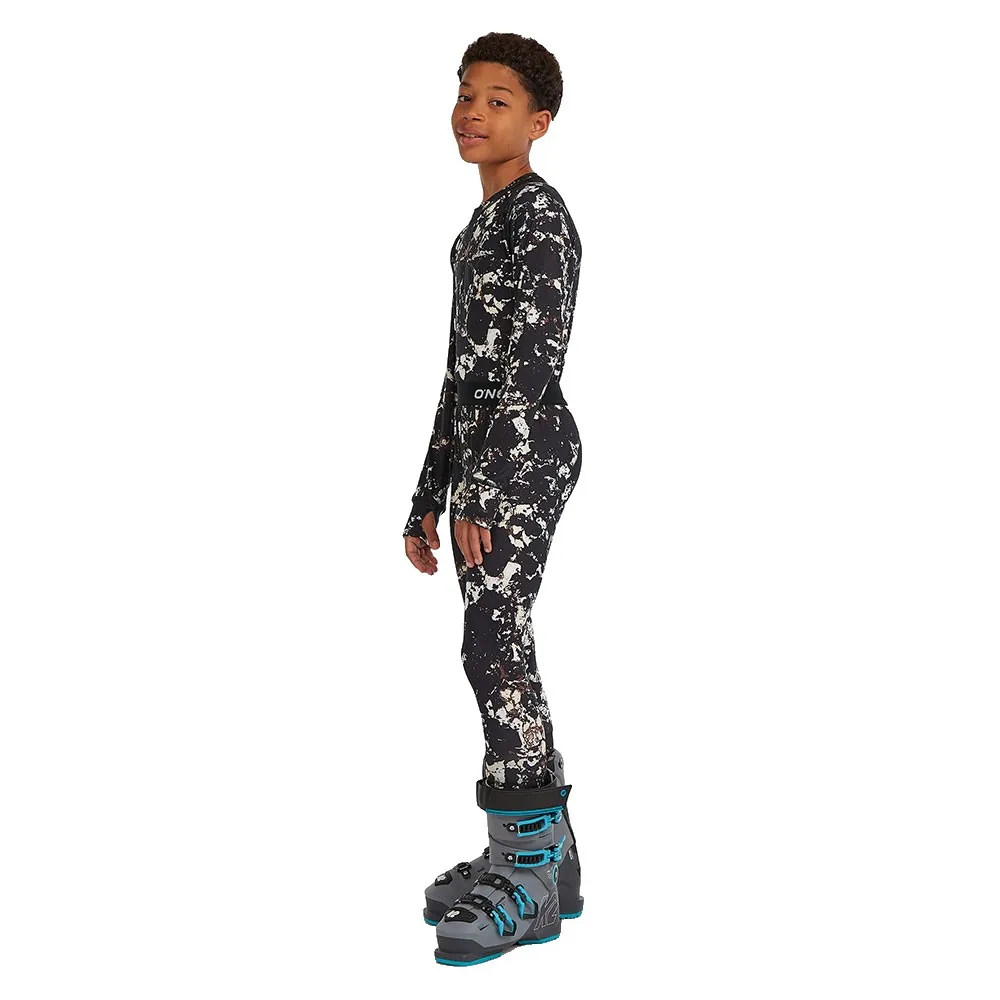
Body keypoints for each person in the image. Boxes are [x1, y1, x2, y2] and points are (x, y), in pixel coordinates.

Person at [401, 32, 585, 966]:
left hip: (526, 452)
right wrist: (427, 494)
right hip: (483, 458)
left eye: (498, 101)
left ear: (538, 123)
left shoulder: (540, 218)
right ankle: (550, 855)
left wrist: (485, 482)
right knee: (496, 639)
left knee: (493, 640)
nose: (472, 112)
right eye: (466, 94)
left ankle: (531, 871)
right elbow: (459, 374)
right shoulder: (476, 231)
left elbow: (531, 361)